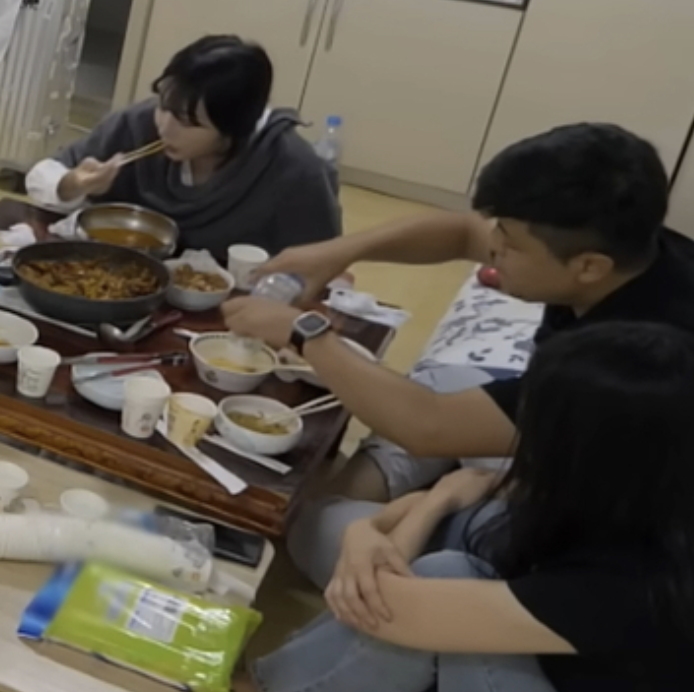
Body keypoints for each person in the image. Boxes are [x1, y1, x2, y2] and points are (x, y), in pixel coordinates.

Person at [222, 122, 694, 583]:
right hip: (556, 449)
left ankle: (343, 511)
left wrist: (305, 333)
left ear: (589, 266)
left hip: (596, 538)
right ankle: (356, 495)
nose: (492, 248)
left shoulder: (630, 363)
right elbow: (467, 233)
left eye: (510, 245)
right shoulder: (635, 251)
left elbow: (429, 425)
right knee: (443, 382)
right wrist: (340, 252)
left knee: (318, 530)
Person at [234, 322, 694, 692]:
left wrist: (392, 525)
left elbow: (387, 606)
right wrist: (425, 506)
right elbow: (482, 487)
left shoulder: (633, 584)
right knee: (441, 544)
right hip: (553, 647)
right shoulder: (644, 494)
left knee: (435, 579)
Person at [26, 35, 341, 260]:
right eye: (164, 106)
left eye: (188, 122)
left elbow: (320, 263)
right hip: (111, 273)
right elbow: (46, 174)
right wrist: (73, 184)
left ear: (234, 128)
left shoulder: (293, 168)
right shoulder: (139, 123)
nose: (165, 127)